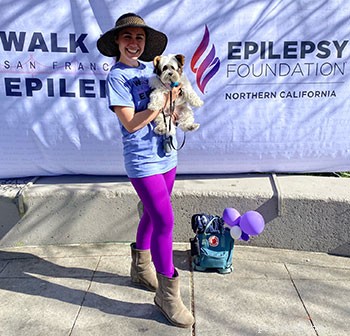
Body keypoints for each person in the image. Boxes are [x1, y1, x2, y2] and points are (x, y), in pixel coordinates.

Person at [97, 13, 194, 328]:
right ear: (117, 42)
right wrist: (162, 100)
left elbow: (168, 107)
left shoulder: (152, 70)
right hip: (142, 160)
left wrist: (175, 107)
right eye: (128, 38)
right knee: (166, 219)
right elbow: (130, 122)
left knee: (153, 216)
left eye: (139, 38)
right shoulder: (117, 77)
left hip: (166, 155)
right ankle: (167, 295)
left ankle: (140, 268)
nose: (134, 43)